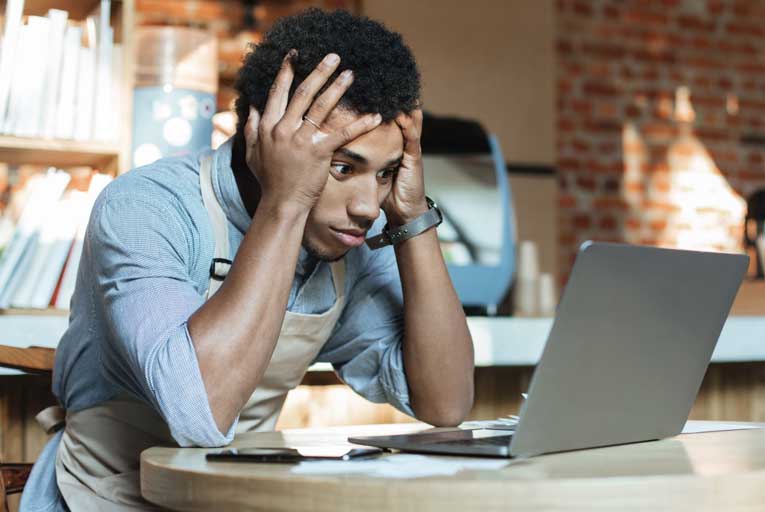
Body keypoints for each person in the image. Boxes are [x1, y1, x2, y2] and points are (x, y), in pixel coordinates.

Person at [20, 8, 474, 511]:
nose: (368, 206)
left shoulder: (347, 236)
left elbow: (446, 403)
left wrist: (411, 217)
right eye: (342, 167)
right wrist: (287, 200)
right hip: (100, 499)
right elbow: (200, 414)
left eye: (385, 174)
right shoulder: (146, 207)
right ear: (265, 138)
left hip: (232, 501)